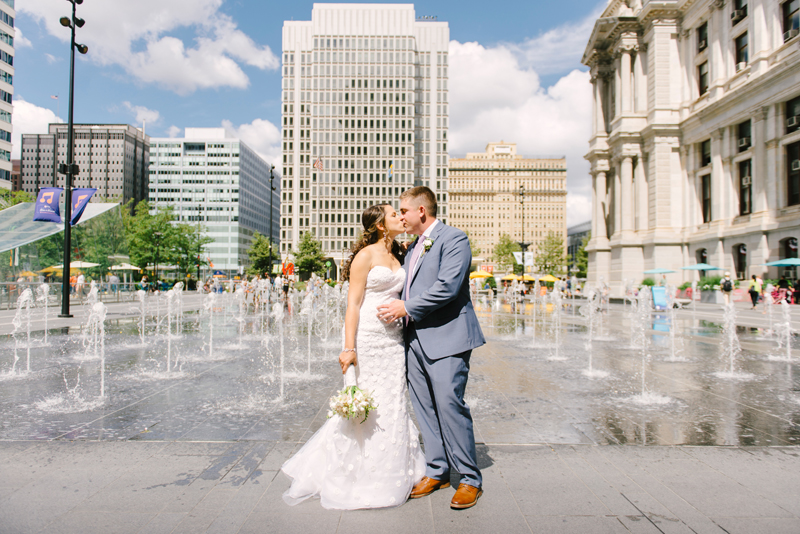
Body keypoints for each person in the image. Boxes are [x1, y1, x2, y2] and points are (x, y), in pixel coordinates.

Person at [281, 203, 425, 510]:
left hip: (394, 340)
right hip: (369, 339)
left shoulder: (400, 253)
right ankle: (355, 473)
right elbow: (353, 305)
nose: (401, 216)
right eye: (394, 214)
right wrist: (349, 347)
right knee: (369, 400)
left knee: (393, 401)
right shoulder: (366, 255)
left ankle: (395, 468)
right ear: (381, 225)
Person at [377, 186, 486, 510]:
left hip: (448, 338)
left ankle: (468, 478)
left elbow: (448, 287)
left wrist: (405, 307)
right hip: (414, 341)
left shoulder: (454, 238)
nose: (401, 217)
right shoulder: (412, 248)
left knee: (450, 405)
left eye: (404, 211)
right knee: (424, 409)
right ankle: (437, 470)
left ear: (421, 211)